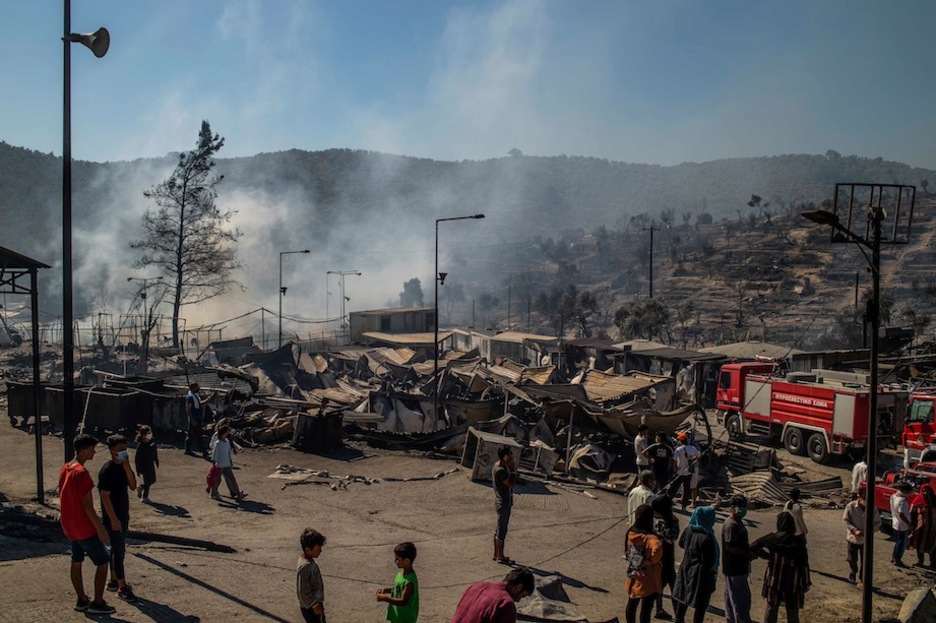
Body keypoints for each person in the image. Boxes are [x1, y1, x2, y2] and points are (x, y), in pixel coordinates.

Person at [58, 433, 116, 615]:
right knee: (103, 561)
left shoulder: (66, 467)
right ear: (83, 450)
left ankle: (82, 598)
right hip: (83, 526)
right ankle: (98, 603)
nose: (94, 452)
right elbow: (87, 504)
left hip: (69, 524)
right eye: (92, 449)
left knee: (76, 560)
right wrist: (100, 528)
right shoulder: (82, 474)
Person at [750, 512, 811, 623]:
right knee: (792, 613)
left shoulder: (772, 538)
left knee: (771, 609)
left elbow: (753, 547)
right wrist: (806, 583)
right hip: (793, 583)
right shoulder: (798, 543)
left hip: (774, 581)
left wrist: (767, 556)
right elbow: (804, 565)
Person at [99, 434, 139, 603]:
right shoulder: (107, 471)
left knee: (116, 549)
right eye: (120, 450)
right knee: (119, 551)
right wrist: (113, 519)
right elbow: (105, 496)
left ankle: (114, 579)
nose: (123, 452)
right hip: (113, 517)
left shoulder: (123, 468)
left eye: (125, 449)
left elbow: (132, 485)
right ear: (111, 451)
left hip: (123, 514)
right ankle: (122, 587)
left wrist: (127, 465)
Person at [672, 506, 718, 623]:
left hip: (686, 568)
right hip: (701, 575)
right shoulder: (708, 537)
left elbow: (682, 544)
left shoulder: (689, 530)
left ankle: (679, 619)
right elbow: (710, 560)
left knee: (683, 598)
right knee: (701, 606)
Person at [451, 567, 535, 623]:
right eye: (522, 596)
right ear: (519, 587)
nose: (518, 600)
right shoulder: (505, 603)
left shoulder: (477, 586)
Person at [625, 504, 663, 623]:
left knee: (631, 604)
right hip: (648, 578)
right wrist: (651, 561)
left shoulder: (631, 533)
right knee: (646, 610)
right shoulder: (650, 537)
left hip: (634, 572)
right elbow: (657, 549)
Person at [722, 495, 757, 623]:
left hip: (736, 569)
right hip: (735, 569)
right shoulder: (731, 525)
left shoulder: (737, 521)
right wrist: (747, 554)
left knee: (732, 600)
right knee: (740, 601)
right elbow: (730, 547)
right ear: (733, 507)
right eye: (740, 507)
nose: (743, 509)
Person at [842, 483, 881, 586]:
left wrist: (870, 531)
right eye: (864, 495)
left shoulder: (872, 508)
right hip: (853, 538)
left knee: (865, 561)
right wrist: (854, 530)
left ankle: (861, 579)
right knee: (852, 559)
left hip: (865, 540)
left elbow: (878, 523)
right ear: (859, 495)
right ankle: (853, 572)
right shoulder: (851, 506)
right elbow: (845, 520)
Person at [650, 493, 680, 621]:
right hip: (664, 558)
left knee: (660, 585)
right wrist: (675, 523)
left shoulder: (654, 517)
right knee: (674, 587)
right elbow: (671, 538)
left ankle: (659, 608)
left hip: (660, 558)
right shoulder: (661, 521)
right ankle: (678, 615)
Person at [376, 542, 419, 623]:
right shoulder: (401, 574)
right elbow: (398, 588)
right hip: (397, 616)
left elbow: (403, 602)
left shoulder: (409, 582)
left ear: (406, 561)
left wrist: (385, 598)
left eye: (397, 559)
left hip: (404, 619)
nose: (394, 561)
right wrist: (386, 590)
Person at [493, 446, 516, 564]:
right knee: (502, 529)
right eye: (510, 455)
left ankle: (496, 554)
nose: (512, 457)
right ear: (505, 456)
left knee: (498, 527)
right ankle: (500, 556)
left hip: (501, 500)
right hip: (503, 501)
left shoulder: (498, 465)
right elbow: (511, 484)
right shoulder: (501, 470)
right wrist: (512, 470)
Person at [297, 528, 326, 623]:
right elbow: (303, 590)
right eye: (318, 549)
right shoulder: (305, 567)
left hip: (313, 604)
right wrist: (315, 605)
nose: (320, 551)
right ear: (308, 550)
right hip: (311, 607)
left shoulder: (308, 560)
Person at [210, 425, 246, 501]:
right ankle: (214, 493)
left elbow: (228, 452)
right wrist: (214, 464)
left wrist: (230, 460)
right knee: (217, 480)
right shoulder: (218, 443)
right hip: (219, 464)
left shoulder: (227, 441)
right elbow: (214, 454)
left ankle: (237, 493)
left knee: (232, 479)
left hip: (226, 464)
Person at [670, 433, 701, 510]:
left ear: (681, 441)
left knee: (674, 488)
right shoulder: (693, 448)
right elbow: (699, 456)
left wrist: (674, 468)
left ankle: (669, 503)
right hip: (688, 473)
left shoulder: (679, 449)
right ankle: (684, 507)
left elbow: (674, 460)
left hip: (680, 472)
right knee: (687, 490)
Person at [910, 484, 936, 568]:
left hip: (933, 529)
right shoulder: (918, 499)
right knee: (919, 544)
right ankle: (920, 561)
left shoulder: (934, 499)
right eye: (924, 490)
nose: (925, 492)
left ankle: (933, 563)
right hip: (922, 528)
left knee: (933, 546)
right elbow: (912, 511)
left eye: (927, 490)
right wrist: (912, 524)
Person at [134, 425, 159, 503]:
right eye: (148, 433)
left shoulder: (152, 442)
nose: (150, 434)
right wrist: (138, 469)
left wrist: (156, 460)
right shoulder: (141, 445)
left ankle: (140, 487)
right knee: (147, 481)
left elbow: (154, 452)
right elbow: (137, 458)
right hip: (144, 466)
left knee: (153, 480)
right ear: (143, 435)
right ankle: (144, 497)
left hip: (151, 464)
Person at [890, 481, 913, 566]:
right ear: (904, 491)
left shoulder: (893, 496)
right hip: (902, 525)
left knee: (897, 542)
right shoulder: (902, 500)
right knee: (901, 544)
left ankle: (893, 557)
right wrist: (909, 523)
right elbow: (901, 514)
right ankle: (897, 560)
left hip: (895, 523)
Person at [184, 382, 209, 458]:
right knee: (198, 436)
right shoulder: (190, 397)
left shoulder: (195, 396)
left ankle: (187, 449)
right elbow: (188, 409)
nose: (198, 388)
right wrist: (192, 420)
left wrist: (207, 400)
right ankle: (204, 451)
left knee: (191, 435)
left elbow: (199, 404)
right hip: (194, 420)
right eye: (197, 387)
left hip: (196, 419)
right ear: (193, 388)